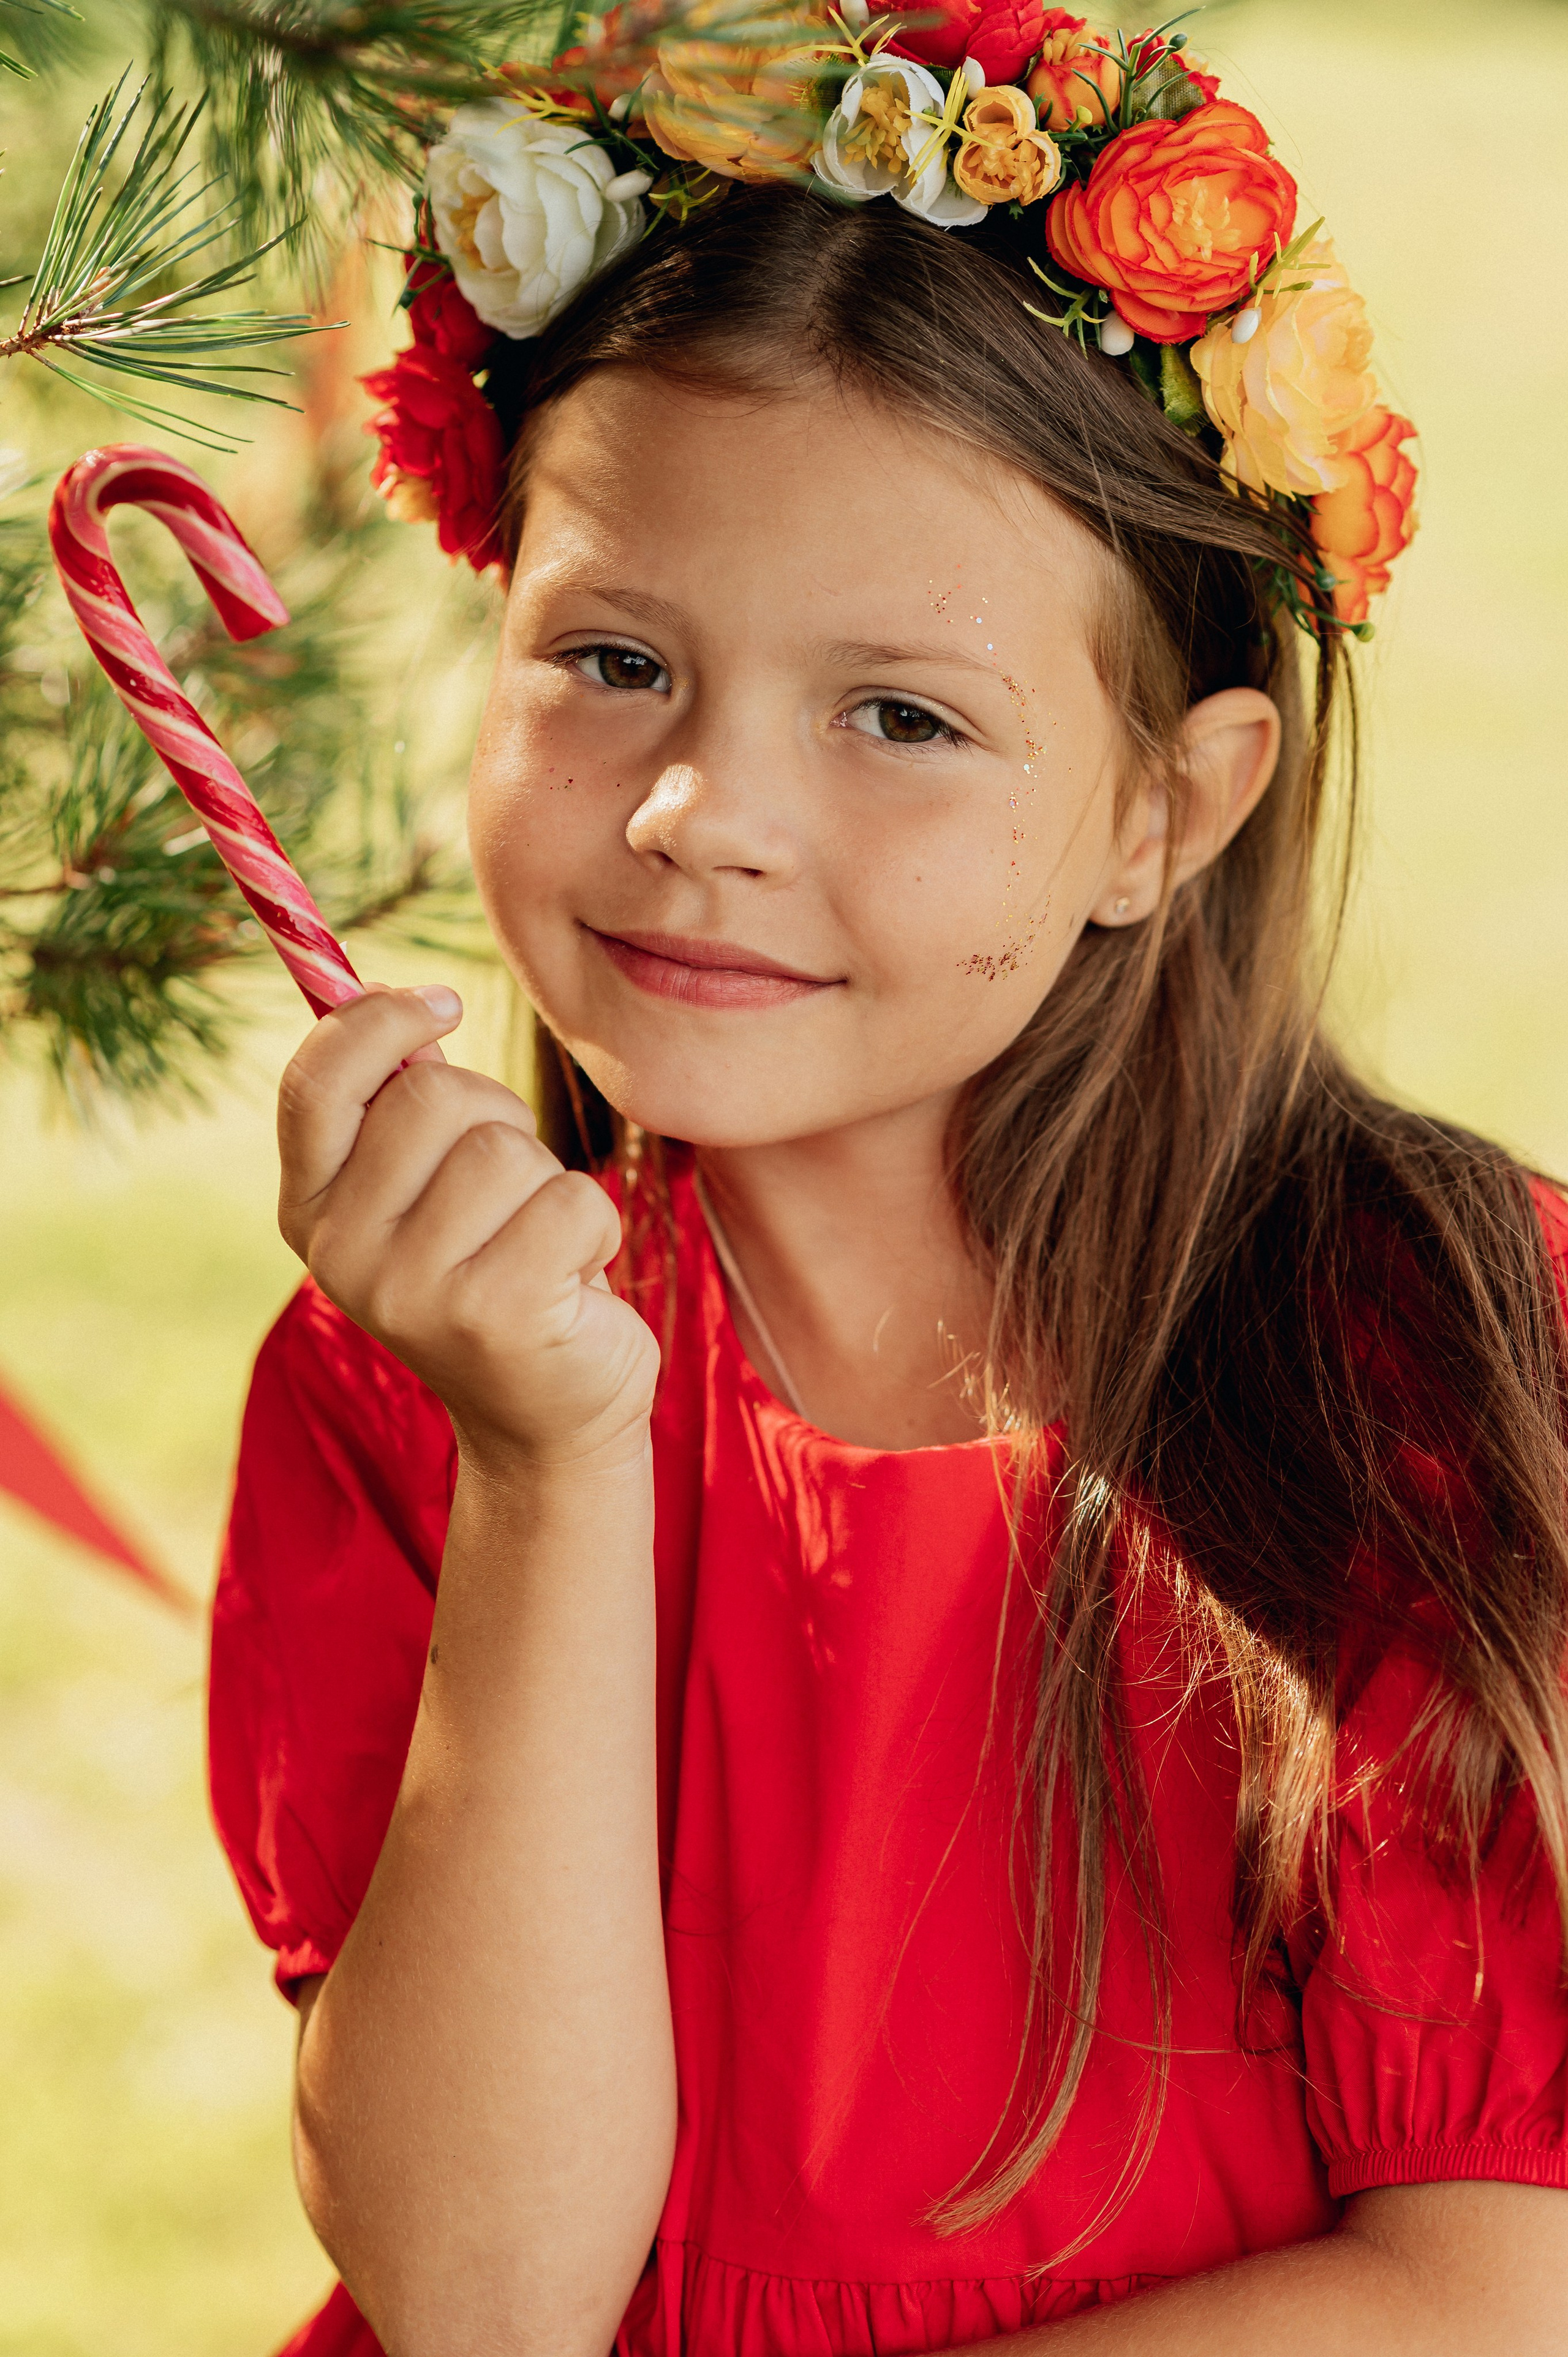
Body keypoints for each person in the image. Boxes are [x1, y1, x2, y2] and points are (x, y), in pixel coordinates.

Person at [210, 17, 1568, 2355]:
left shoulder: (1434, 1358)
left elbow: (1488, 2290)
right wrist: (550, 1470)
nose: (698, 813)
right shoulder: (410, 1376)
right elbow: (489, 2297)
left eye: (902, 715)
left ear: (1171, 808)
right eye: (612, 660)